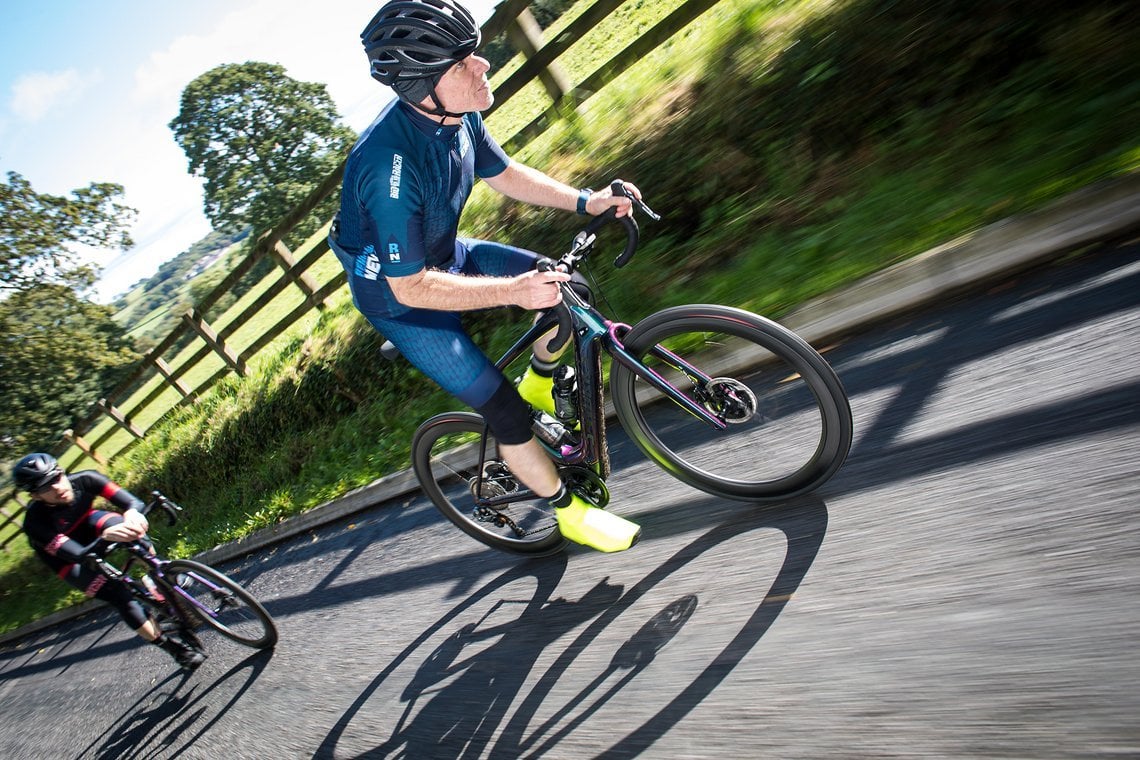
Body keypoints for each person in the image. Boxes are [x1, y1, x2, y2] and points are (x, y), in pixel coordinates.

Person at [330, 0, 641, 552]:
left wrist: (588, 202)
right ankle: (568, 512)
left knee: (567, 291)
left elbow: (504, 174)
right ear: (420, 84)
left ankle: (541, 379)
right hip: (400, 297)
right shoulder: (386, 167)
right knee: (501, 407)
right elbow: (412, 286)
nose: (483, 67)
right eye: (461, 64)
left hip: (448, 254)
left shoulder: (455, 112)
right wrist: (513, 291)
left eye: (472, 54)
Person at [13, 453, 206, 671]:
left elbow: (132, 502)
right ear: (36, 496)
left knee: (131, 531)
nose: (57, 487)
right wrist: (105, 538)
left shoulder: (87, 479)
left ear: (62, 472)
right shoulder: (35, 523)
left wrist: (133, 514)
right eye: (46, 486)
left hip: (88, 524)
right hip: (66, 559)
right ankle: (172, 647)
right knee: (118, 594)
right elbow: (78, 555)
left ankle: (159, 575)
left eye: (57, 477)